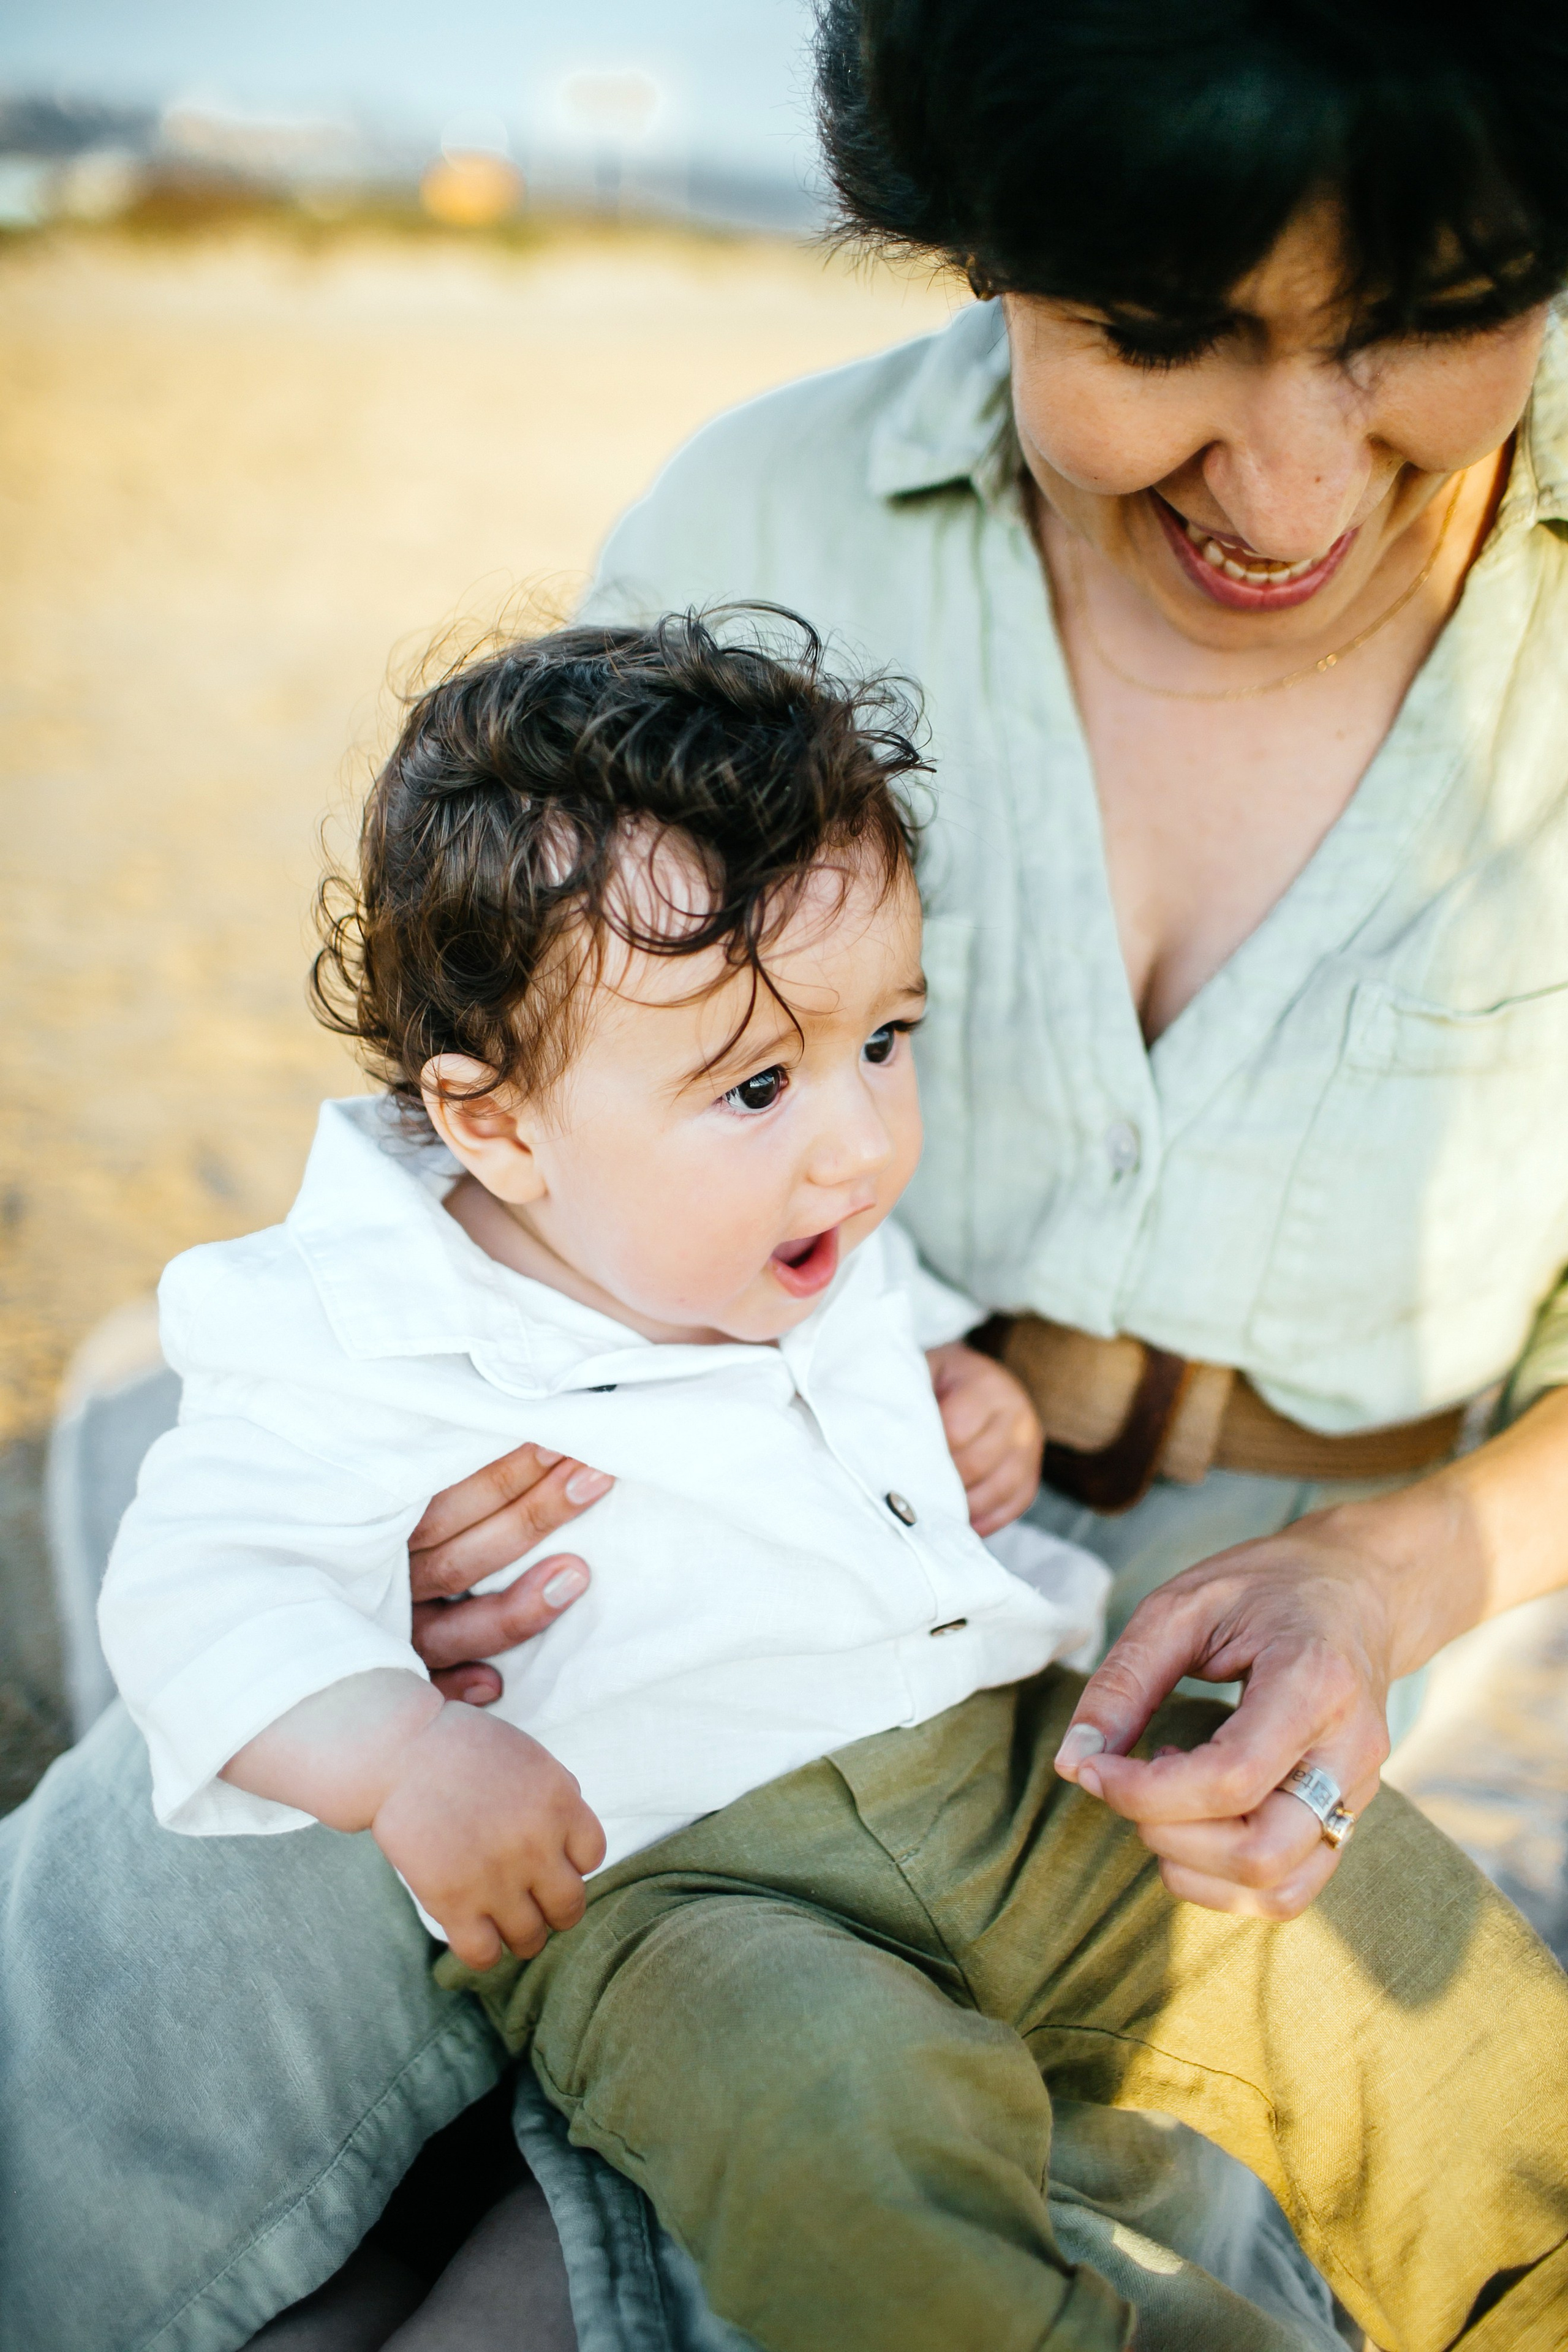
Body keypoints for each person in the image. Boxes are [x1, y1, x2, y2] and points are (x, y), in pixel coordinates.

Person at [7, 1, 1568, 2343]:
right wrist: (386, 1708)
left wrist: (1374, 1562)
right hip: (589, 1757)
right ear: (979, 244)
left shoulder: (849, 1236)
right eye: (1160, 332)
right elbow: (550, 1039)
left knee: (1359, 2023)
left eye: (1430, 318)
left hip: (1103, 1657)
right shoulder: (759, 531)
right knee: (164, 1940)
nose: (1299, 477)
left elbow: (854, 1254)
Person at [92, 608, 1568, 2352]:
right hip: (691, 1898)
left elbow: (900, 1350)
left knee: (1356, 1926)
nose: (862, 1139)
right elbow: (198, 1589)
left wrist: (963, 1406)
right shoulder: (345, 1322)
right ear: (496, 1126)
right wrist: (402, 1750)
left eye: (889, 1039)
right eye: (762, 1082)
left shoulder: (802, 1226)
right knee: (835, 2155)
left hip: (1008, 1767)